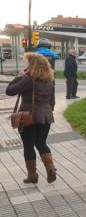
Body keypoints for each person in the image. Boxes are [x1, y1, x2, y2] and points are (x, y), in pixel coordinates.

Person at [6, 52, 57, 184]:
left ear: (32, 66)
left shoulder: (28, 79)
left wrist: (19, 76)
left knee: (28, 145)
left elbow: (9, 90)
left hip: (28, 116)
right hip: (45, 116)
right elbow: (52, 101)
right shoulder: (50, 79)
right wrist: (47, 111)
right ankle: (50, 167)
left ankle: (32, 176)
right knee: (41, 143)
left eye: (28, 63)